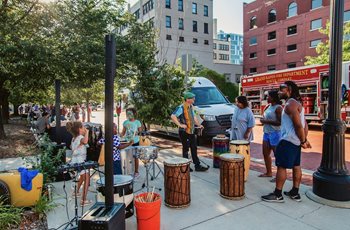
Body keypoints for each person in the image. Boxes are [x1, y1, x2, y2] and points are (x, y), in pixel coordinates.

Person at [261, 81, 311, 203]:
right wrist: (303, 139)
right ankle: (295, 193)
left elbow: (299, 125)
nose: (279, 92)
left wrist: (303, 140)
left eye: (281, 89)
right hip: (295, 141)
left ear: (289, 89)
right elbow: (305, 125)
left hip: (288, 140)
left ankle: (277, 194)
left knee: (281, 167)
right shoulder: (296, 103)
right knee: (296, 166)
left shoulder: (291, 104)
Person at [171, 92, 208, 172]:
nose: (194, 99)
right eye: (192, 98)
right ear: (187, 99)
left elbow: (194, 117)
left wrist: (199, 124)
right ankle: (186, 166)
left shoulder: (191, 106)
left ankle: (197, 166)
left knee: (194, 148)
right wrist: (180, 125)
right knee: (186, 149)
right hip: (184, 132)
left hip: (191, 131)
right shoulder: (181, 107)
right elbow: (173, 116)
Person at [66, 121, 91, 206]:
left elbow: (72, 147)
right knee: (87, 178)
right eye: (83, 127)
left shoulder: (73, 138)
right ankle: (83, 200)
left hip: (76, 160)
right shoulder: (80, 137)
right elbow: (85, 141)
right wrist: (87, 132)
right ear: (79, 129)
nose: (84, 128)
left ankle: (76, 192)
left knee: (82, 177)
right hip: (80, 160)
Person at [259, 91, 282, 178]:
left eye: (268, 97)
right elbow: (264, 117)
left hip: (275, 133)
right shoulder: (268, 106)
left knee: (277, 155)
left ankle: (279, 176)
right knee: (265, 154)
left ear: (273, 97)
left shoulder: (278, 108)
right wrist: (263, 120)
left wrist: (266, 121)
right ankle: (269, 172)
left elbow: (279, 122)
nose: (266, 98)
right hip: (266, 133)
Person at [121, 108, 143, 178]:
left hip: (135, 142)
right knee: (127, 157)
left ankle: (136, 172)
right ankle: (128, 171)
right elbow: (123, 132)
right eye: (127, 113)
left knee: (135, 157)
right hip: (127, 142)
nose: (128, 115)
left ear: (134, 114)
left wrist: (138, 132)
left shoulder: (137, 122)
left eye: (130, 113)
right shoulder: (125, 122)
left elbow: (140, 132)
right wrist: (120, 136)